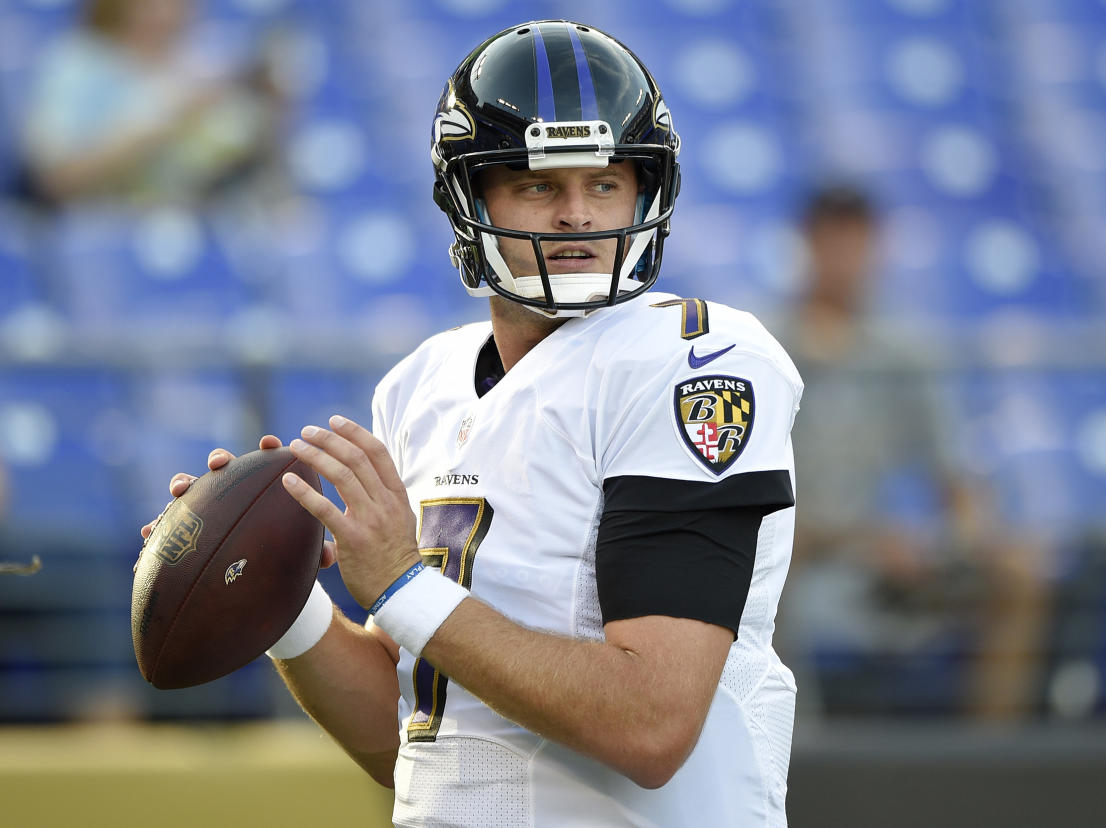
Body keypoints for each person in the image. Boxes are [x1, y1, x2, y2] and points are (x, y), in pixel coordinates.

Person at [140, 20, 802, 827]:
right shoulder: (421, 385)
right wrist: (275, 596)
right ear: (469, 198)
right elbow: (422, 740)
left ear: (645, 192)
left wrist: (401, 587)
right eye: (536, 185)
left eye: (605, 184)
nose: (575, 217)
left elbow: (651, 723)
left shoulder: (693, 363)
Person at [776, 185, 1047, 722]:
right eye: (832, 239)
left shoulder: (905, 351)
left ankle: (986, 762)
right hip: (793, 550)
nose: (845, 257)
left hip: (887, 557)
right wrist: (862, 540)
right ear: (807, 243)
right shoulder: (761, 341)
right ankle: (798, 764)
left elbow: (957, 480)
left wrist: (961, 542)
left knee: (1020, 572)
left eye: (856, 241)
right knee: (770, 565)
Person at [20, 0, 284, 206]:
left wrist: (272, 108)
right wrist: (162, 122)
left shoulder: (203, 62)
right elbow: (56, 181)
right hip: (104, 229)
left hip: (199, 224)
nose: (166, 13)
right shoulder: (80, 65)